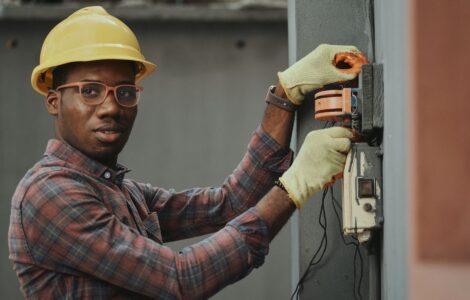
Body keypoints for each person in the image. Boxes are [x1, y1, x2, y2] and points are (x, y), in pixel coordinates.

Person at [8, 6, 364, 300]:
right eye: (89, 91)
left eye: (125, 93)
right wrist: (293, 187)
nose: (110, 108)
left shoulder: (121, 192)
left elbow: (229, 205)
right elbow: (181, 280)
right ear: (54, 102)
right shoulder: (50, 194)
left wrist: (285, 94)